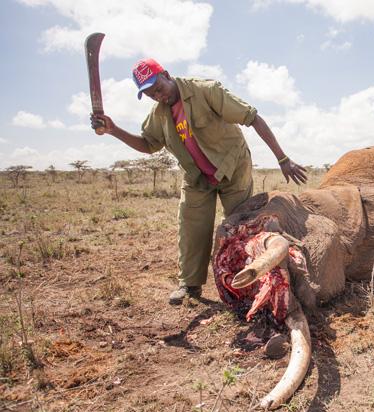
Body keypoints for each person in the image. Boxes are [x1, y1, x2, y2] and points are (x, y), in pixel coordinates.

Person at [91, 58, 307, 304]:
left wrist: (283, 158)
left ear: (167, 75)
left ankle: (254, 279)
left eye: (158, 88)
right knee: (191, 225)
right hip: (196, 175)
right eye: (150, 94)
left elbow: (252, 117)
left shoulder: (206, 91)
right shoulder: (159, 115)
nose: (157, 96)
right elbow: (148, 145)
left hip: (231, 167)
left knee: (240, 225)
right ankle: (190, 286)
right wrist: (114, 129)